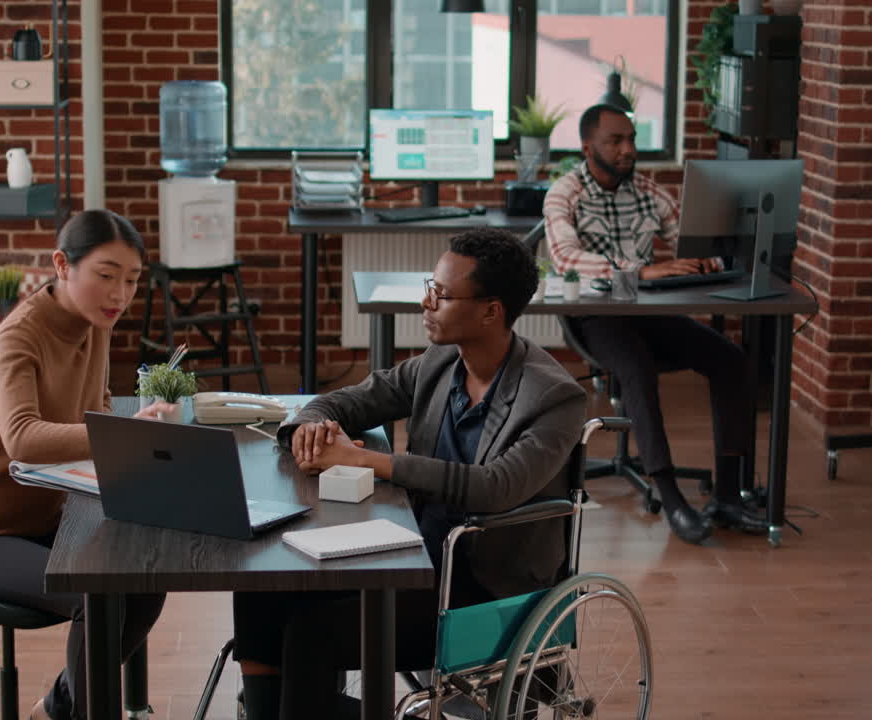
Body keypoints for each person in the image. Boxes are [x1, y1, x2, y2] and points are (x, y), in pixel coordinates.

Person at [233, 228, 588, 719]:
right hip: (414, 555)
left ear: (492, 310)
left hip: (485, 590)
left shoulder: (554, 396)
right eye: (430, 286)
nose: (426, 302)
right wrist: (308, 429)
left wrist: (366, 460)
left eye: (441, 294)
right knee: (262, 595)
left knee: (313, 634)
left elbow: (495, 486)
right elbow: (353, 399)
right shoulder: (442, 362)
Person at [0, 209, 168, 720]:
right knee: (96, 595)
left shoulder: (94, 323)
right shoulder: (19, 338)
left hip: (43, 519)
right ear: (62, 265)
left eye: (131, 280)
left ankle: (60, 708)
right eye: (105, 275)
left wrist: (135, 440)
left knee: (146, 574)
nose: (120, 294)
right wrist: (122, 436)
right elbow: (23, 438)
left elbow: (95, 410)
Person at [543, 103, 767, 545]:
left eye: (632, 140)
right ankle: (670, 497)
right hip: (593, 315)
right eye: (616, 141)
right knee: (636, 369)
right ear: (589, 147)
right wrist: (636, 270)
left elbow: (689, 234)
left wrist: (709, 255)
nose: (628, 150)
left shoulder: (647, 191)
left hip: (648, 311)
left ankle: (726, 496)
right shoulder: (564, 192)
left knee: (730, 359)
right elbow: (565, 257)